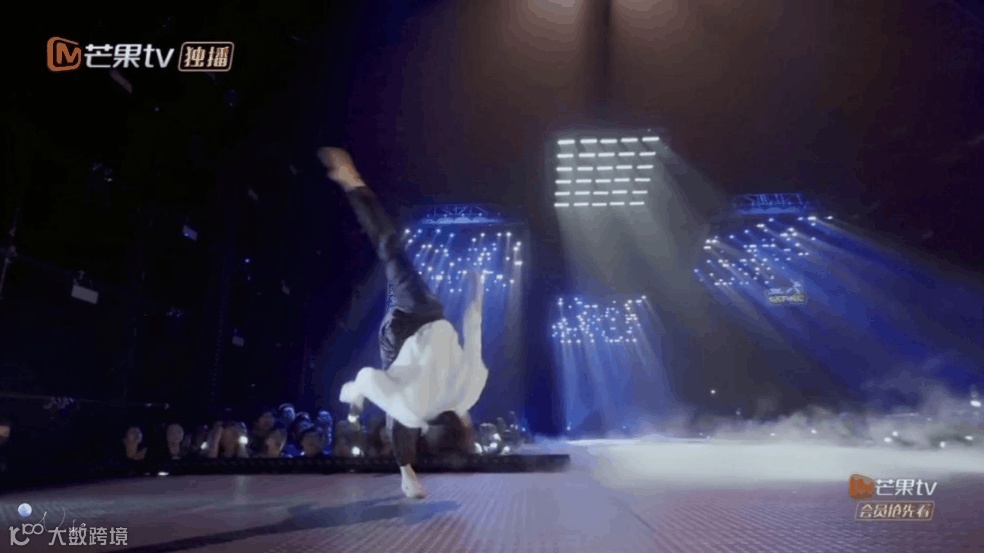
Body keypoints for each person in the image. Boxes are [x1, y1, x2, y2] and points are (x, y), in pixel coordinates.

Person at [318, 147, 489, 499]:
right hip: (410, 331)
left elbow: (473, 332)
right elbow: (370, 377)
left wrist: (478, 293)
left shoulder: (468, 391)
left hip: (415, 325)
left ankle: (353, 184)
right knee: (397, 411)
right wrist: (359, 393)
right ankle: (407, 474)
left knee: (392, 252)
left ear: (462, 420)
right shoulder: (417, 409)